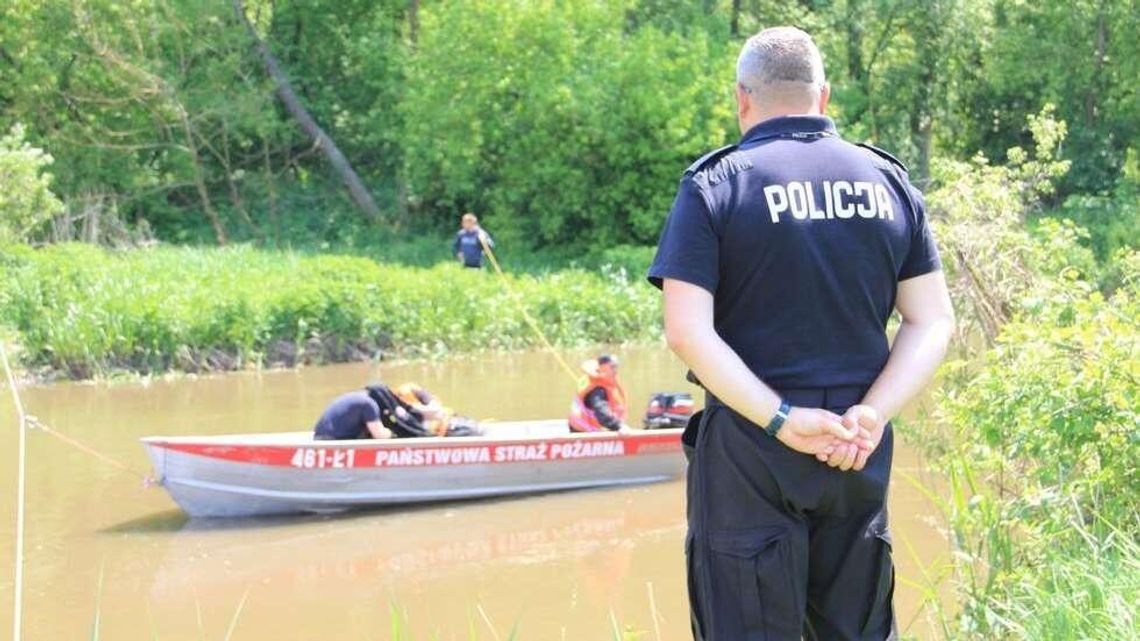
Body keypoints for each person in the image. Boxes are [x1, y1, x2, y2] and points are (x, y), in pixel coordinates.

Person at [647, 27, 954, 641]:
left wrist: (782, 418)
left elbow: (686, 331)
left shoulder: (718, 184)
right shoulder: (887, 181)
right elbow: (932, 319)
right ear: (824, 94)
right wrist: (872, 413)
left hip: (750, 456)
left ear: (742, 99)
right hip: (855, 451)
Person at [568, 355, 631, 432]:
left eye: (616, 367)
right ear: (603, 368)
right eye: (612, 367)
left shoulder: (594, 380)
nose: (616, 370)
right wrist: (618, 427)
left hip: (583, 427)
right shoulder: (598, 390)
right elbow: (602, 412)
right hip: (584, 433)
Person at [312, 390, 394, 440]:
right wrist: (392, 433)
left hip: (319, 436)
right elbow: (379, 435)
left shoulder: (359, 397)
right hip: (330, 440)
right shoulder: (370, 403)